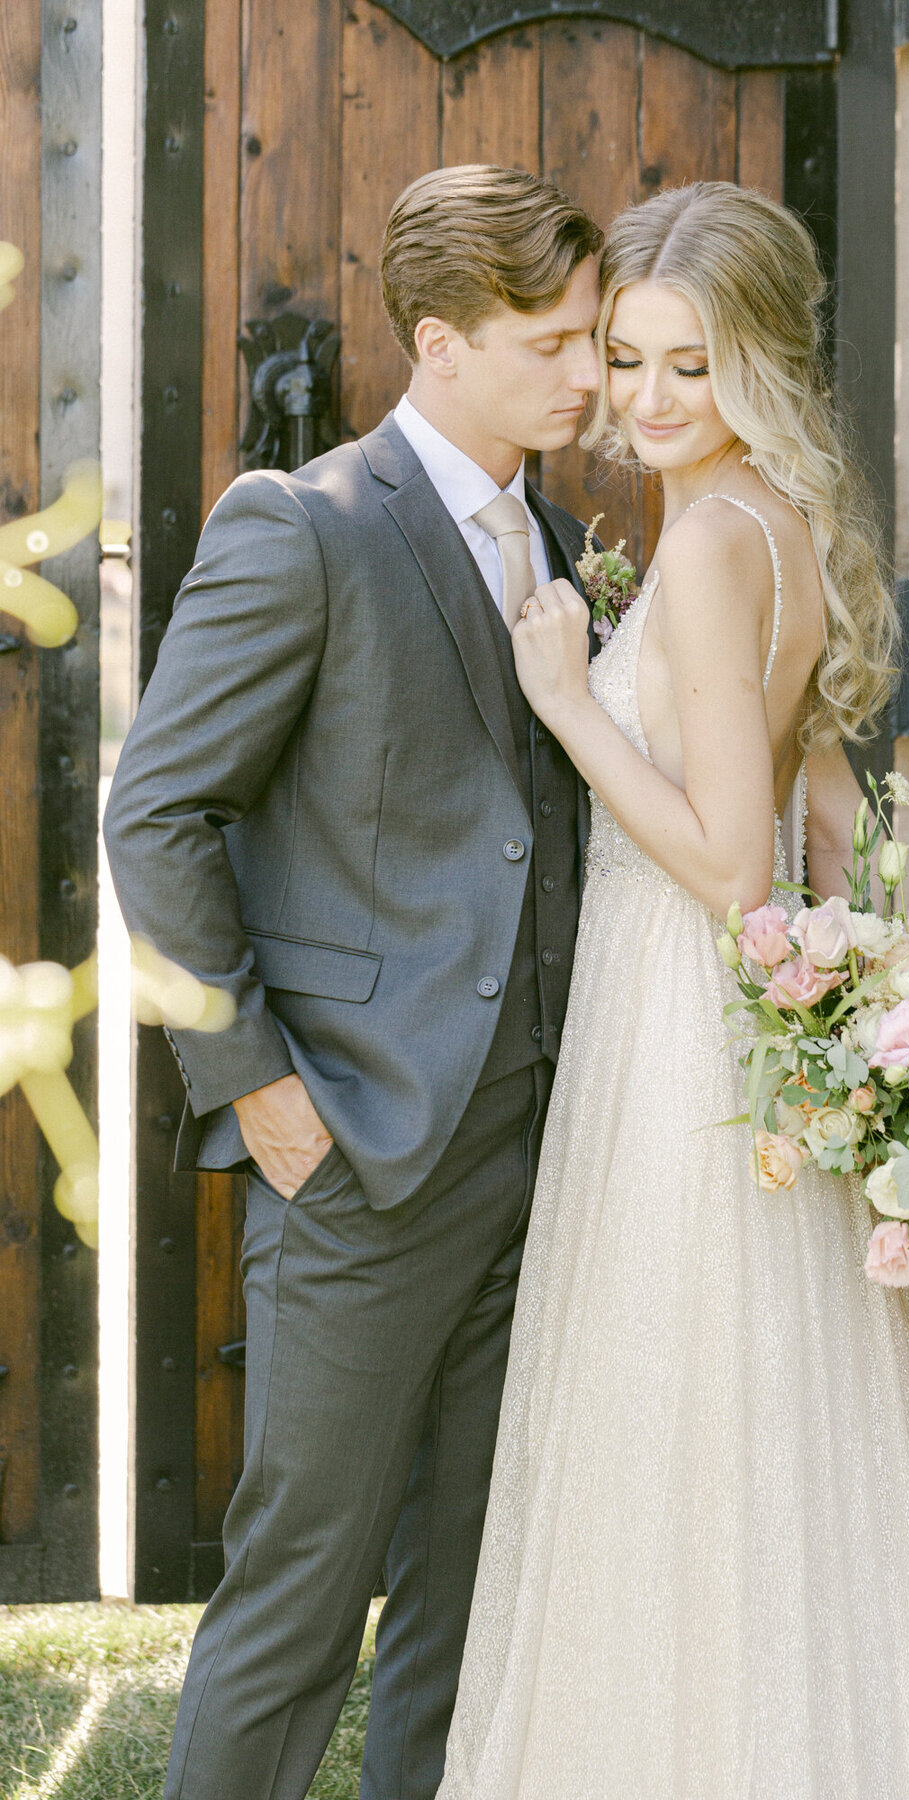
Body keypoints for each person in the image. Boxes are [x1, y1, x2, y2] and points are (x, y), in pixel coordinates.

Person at [435, 182, 909, 1799]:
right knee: (766, 1403)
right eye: (624, 359)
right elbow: (829, 812)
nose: (642, 400)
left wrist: (568, 700)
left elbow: (726, 862)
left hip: (678, 1012)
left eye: (686, 366)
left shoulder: (704, 545)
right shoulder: (781, 519)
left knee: (678, 1403)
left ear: (757, 360)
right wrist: (862, 1007)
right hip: (750, 1022)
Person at [103, 164, 604, 1800]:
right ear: (441, 343)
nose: (590, 377)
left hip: (540, 1158)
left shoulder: (563, 538)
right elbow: (157, 812)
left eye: (593, 337)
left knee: (469, 1606)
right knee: (302, 1601)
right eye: (554, 343)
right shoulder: (299, 525)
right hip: (360, 1155)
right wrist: (255, 1085)